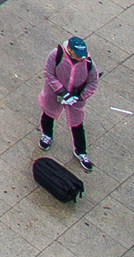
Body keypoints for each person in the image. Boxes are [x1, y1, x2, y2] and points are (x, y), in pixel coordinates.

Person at [38, 35, 98, 171]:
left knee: (77, 124)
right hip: (54, 94)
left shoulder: (88, 63)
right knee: (48, 114)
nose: (81, 58)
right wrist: (62, 92)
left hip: (76, 98)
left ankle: (81, 151)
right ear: (69, 50)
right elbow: (49, 73)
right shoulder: (56, 55)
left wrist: (80, 96)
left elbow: (93, 82)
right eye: (78, 55)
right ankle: (47, 135)